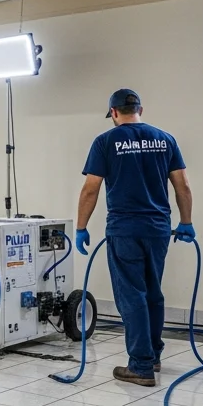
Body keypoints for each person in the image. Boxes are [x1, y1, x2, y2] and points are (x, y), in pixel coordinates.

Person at [75, 89, 194, 387]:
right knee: (153, 292)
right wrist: (186, 222)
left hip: (124, 229)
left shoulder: (105, 141)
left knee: (132, 296)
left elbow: (90, 189)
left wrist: (81, 227)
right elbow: (182, 186)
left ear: (114, 113)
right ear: (141, 109)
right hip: (158, 229)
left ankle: (140, 366)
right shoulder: (165, 139)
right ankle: (153, 356)